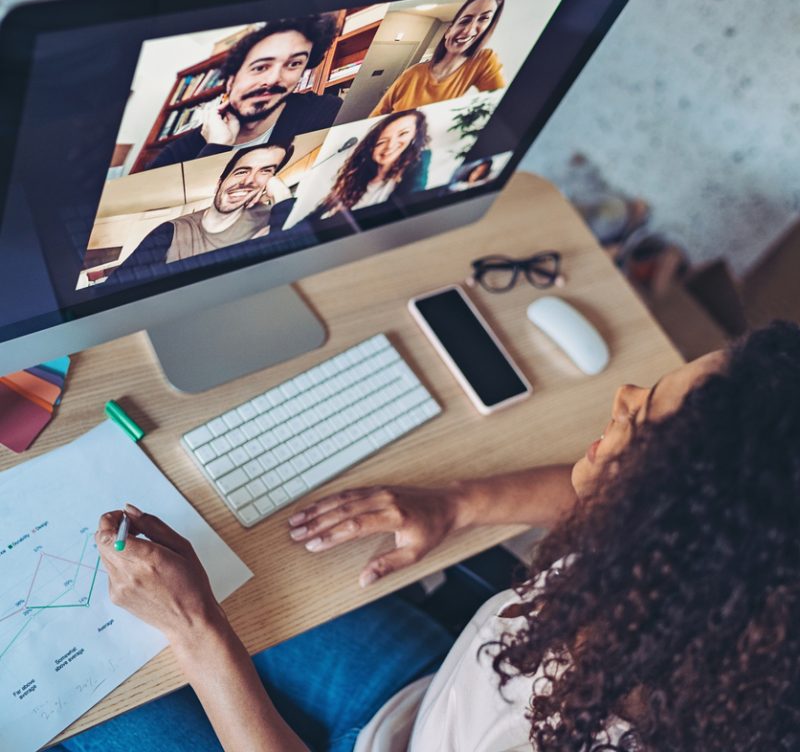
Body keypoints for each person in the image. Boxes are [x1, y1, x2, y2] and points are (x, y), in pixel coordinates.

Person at [53, 321, 800, 751]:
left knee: (78, 703)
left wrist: (196, 631)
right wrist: (458, 502)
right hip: (417, 708)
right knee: (249, 561)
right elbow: (599, 503)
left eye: (644, 423)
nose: (625, 396)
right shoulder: (698, 600)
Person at [147, 15, 342, 171]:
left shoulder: (326, 113)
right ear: (231, 81)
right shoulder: (177, 154)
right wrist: (216, 148)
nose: (274, 79)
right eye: (260, 67)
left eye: (294, 64)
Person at [106, 143, 310, 285]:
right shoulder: (170, 231)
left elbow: (300, 259)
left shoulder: (273, 216)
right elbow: (114, 289)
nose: (249, 181)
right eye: (241, 171)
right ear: (219, 183)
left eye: (266, 172)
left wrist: (281, 193)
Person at [370, 0, 506, 117]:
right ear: (447, 32)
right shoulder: (412, 73)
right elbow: (377, 113)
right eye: (465, 21)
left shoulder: (484, 60)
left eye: (483, 19)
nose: (469, 30)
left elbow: (499, 104)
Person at [305, 109, 431, 236]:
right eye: (381, 142)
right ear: (371, 147)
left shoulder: (412, 174)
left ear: (415, 137)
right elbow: (313, 218)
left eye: (403, 133)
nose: (390, 146)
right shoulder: (352, 184)